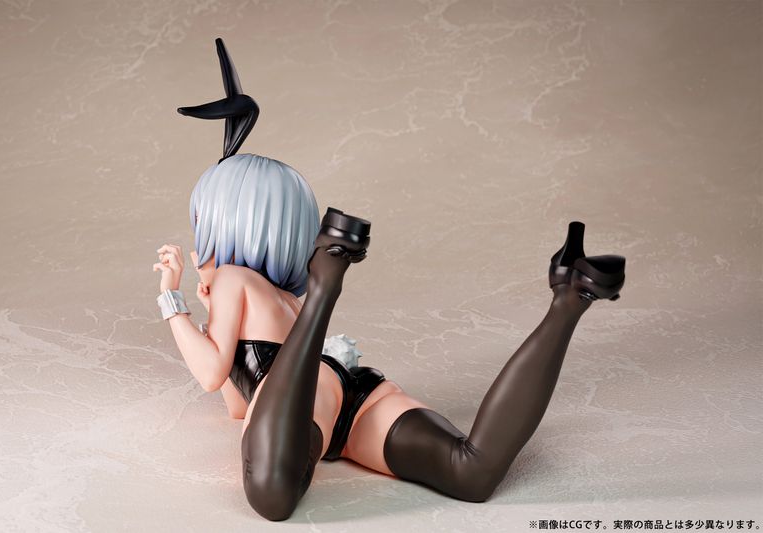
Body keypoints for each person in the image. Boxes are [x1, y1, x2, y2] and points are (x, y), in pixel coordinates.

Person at [152, 39, 626, 522]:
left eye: (200, 223)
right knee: (470, 470)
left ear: (224, 226)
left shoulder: (233, 279)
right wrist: (213, 316)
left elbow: (212, 376)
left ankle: (327, 282)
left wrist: (172, 299)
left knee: (272, 496)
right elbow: (239, 406)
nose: (196, 239)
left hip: (303, 398)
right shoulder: (275, 296)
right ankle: (570, 294)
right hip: (349, 397)